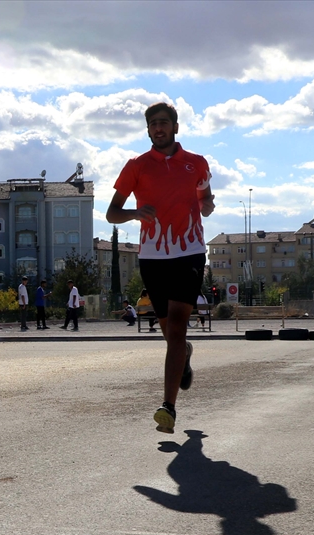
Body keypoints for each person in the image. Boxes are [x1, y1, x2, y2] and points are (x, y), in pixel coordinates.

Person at [106, 101, 215, 433]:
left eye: (164, 122)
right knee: (171, 334)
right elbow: (112, 213)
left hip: (189, 253)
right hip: (153, 257)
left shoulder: (196, 164)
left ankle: (168, 407)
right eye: (153, 123)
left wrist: (207, 204)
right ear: (148, 129)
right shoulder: (136, 166)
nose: (158, 127)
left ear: (175, 127)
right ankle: (185, 354)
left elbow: (205, 202)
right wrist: (135, 214)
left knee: (178, 328)